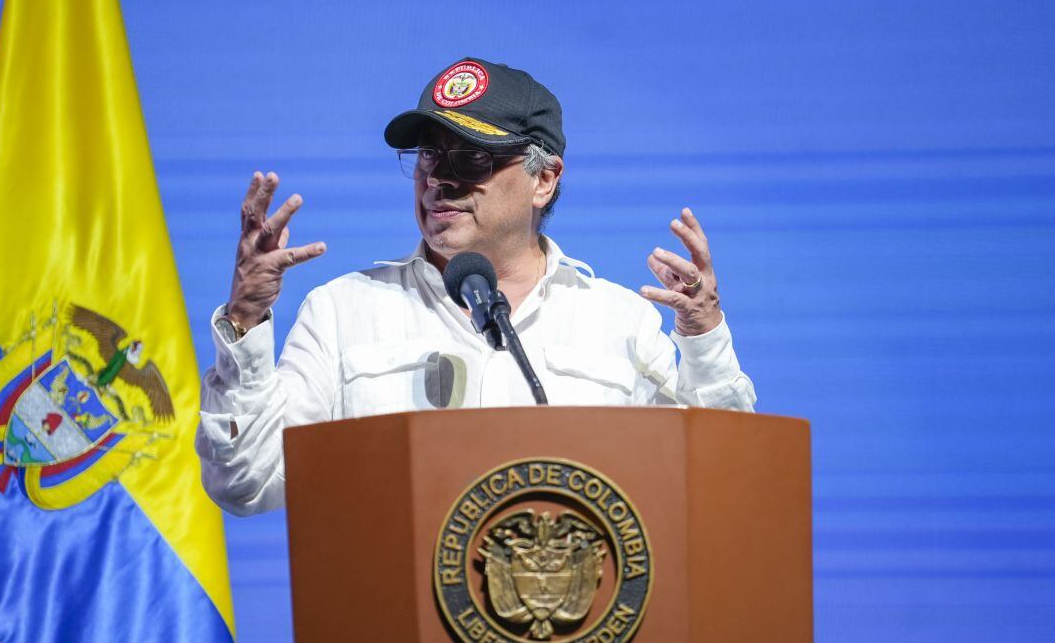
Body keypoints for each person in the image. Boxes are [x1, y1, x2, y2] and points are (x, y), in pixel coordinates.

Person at [196, 57, 756, 516]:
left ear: (543, 179)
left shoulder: (616, 323)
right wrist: (245, 317)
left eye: (472, 157)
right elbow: (248, 481)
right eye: (430, 154)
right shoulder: (345, 312)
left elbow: (725, 485)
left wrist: (704, 337)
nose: (439, 176)